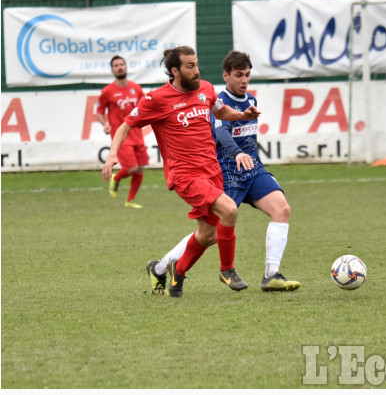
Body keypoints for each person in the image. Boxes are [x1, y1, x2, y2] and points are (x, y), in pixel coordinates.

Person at [102, 46, 260, 298]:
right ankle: (227, 270)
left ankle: (174, 271)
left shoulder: (206, 89)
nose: (196, 70)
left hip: (212, 172)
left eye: (196, 64)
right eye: (190, 66)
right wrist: (112, 157)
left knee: (208, 234)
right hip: (185, 175)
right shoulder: (156, 99)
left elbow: (220, 111)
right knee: (229, 210)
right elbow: (125, 126)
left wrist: (241, 114)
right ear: (175, 70)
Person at [153, 51, 301, 293]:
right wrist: (236, 153)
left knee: (282, 209)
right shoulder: (215, 100)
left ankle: (271, 275)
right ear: (226, 76)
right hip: (227, 174)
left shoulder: (250, 100)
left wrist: (248, 156)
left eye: (248, 75)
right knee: (208, 234)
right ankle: (162, 267)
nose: (244, 80)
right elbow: (221, 133)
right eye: (239, 75)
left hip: (253, 171)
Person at [96, 55, 148, 208]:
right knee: (131, 168)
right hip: (121, 136)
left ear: (126, 67)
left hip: (137, 133)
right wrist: (105, 123)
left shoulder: (136, 88)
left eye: (121, 64)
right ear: (112, 70)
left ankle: (130, 201)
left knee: (140, 168)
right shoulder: (107, 91)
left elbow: (145, 106)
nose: (119, 67)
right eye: (116, 65)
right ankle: (116, 178)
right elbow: (98, 111)